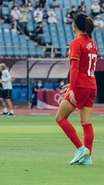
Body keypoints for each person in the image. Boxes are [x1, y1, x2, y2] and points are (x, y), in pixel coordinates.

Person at [55, 13, 97, 165]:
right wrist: (71, 85)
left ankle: (81, 149)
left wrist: (72, 88)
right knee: (86, 121)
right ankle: (87, 157)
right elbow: (85, 68)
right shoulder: (92, 42)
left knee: (60, 118)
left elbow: (75, 68)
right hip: (92, 85)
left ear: (75, 26)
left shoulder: (76, 43)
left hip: (80, 86)